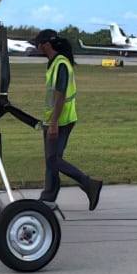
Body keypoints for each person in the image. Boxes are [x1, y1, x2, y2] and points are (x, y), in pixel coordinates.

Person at [29, 29, 102, 210]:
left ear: (46, 44)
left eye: (37, 44)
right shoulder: (55, 62)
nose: (36, 48)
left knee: (53, 159)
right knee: (52, 159)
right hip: (57, 119)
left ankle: (88, 183)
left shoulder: (60, 64)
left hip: (61, 121)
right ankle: (49, 197)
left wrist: (53, 124)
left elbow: (61, 95)